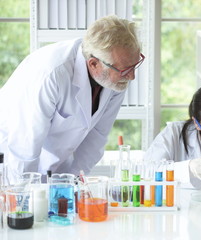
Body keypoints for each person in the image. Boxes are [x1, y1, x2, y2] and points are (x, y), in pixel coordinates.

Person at [0, 15, 144, 183]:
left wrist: (74, 184)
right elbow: (24, 148)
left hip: (51, 167)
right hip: (10, 159)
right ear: (94, 64)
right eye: (126, 70)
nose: (132, 76)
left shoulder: (116, 78)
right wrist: (23, 199)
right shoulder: (52, 73)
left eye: (134, 66)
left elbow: (96, 137)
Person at [144, 84, 201, 189]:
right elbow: (148, 171)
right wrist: (189, 168)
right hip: (181, 203)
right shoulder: (174, 133)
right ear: (196, 123)